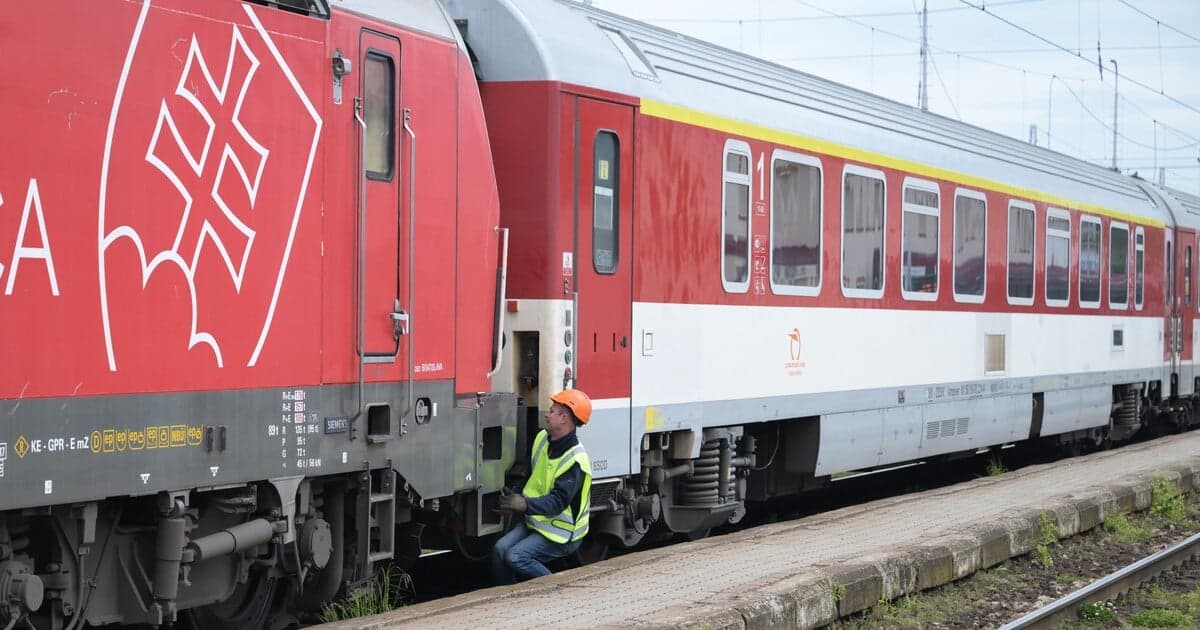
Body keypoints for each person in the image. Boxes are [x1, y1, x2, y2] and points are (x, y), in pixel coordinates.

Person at [492, 388, 593, 584]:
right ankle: (505, 594)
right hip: (537, 522)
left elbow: (557, 503)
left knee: (515, 556)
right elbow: (531, 477)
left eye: (552, 411)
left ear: (564, 418)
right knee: (499, 550)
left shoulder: (576, 460)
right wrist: (515, 494)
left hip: (563, 534)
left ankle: (556, 587)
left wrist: (524, 505)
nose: (547, 415)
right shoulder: (542, 440)